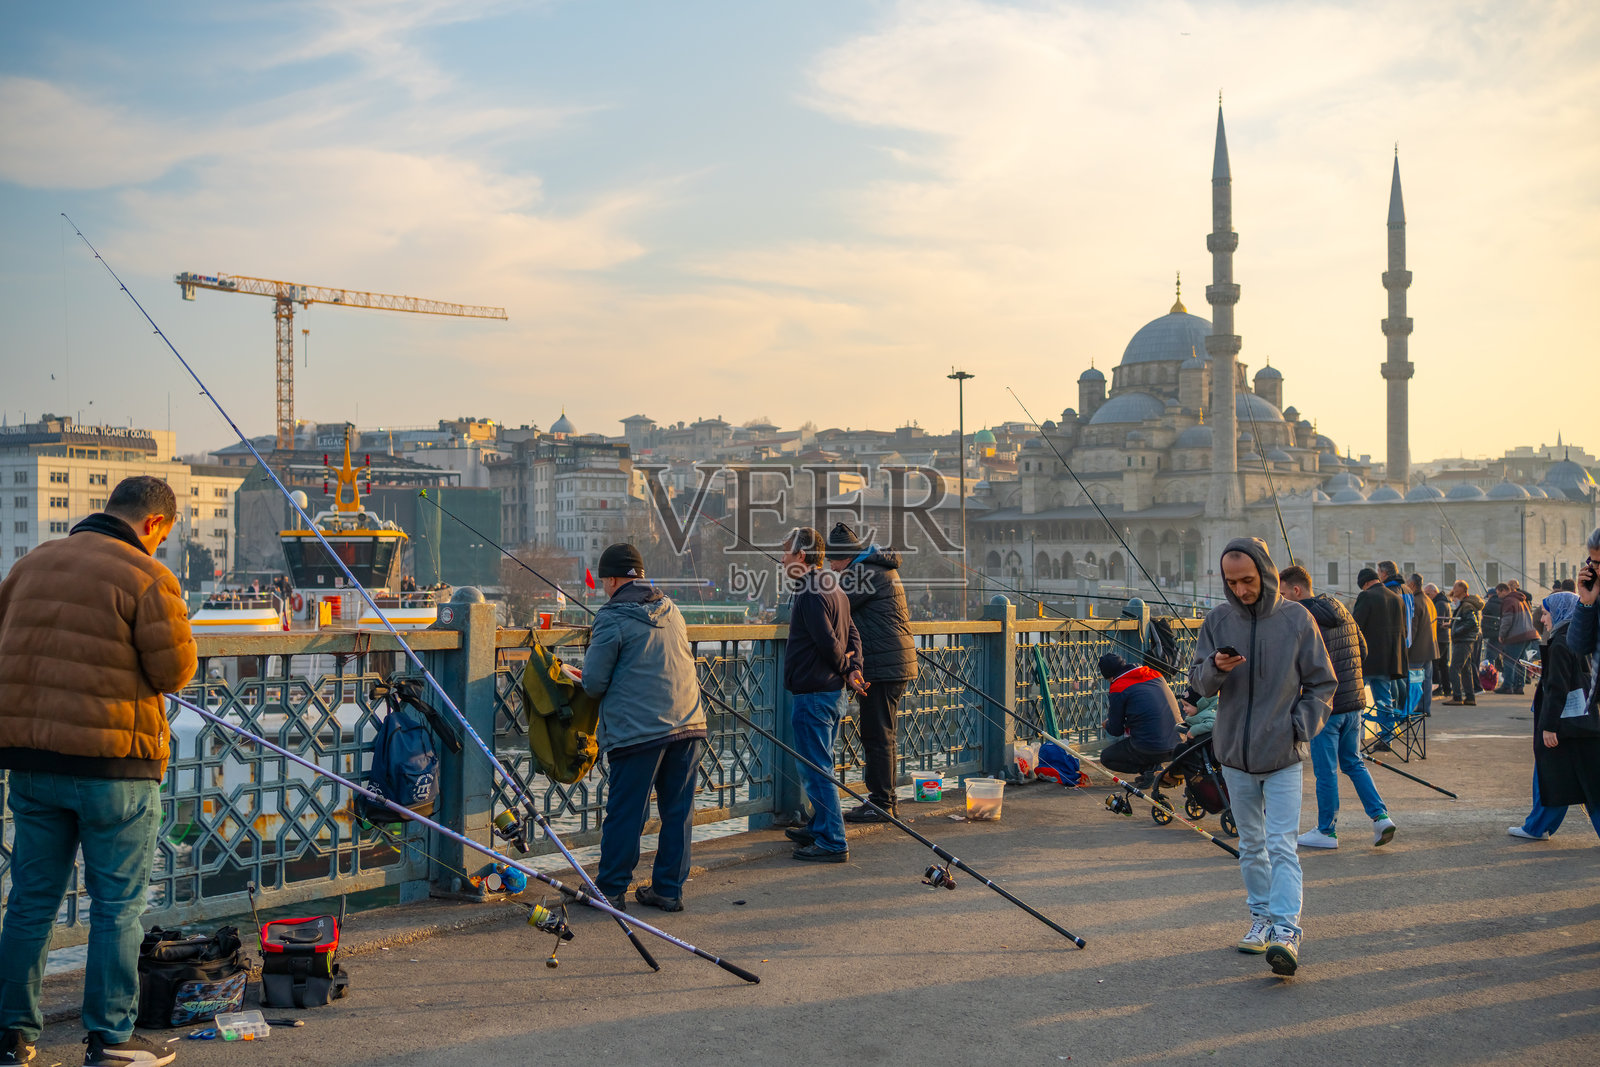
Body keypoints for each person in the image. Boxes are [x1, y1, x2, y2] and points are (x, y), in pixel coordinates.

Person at [0, 476, 196, 1067]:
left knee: (30, 903)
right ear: (155, 524)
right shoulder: (147, 575)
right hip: (116, 768)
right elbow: (174, 671)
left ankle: (11, 1037)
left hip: (32, 763)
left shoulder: (30, 565)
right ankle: (110, 1039)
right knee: (117, 907)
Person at [1190, 538, 1335, 978]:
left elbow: (1322, 683)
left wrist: (1299, 728)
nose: (1241, 590)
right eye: (1232, 582)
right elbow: (1198, 682)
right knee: (1251, 844)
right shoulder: (1217, 620)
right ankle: (1261, 918)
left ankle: (1287, 930)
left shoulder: (1296, 619)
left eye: (1248, 581)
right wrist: (1216, 666)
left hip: (1283, 752)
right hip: (1234, 752)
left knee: (1281, 845)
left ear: (1266, 574)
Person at [582, 542, 707, 913]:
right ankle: (668, 890)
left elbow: (592, 683)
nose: (605, 587)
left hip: (639, 731)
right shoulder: (673, 609)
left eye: (605, 580)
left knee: (627, 811)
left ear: (613, 580)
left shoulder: (611, 618)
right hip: (688, 722)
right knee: (677, 811)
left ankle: (610, 890)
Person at [1280, 566, 1395, 851]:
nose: (1280, 600)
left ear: (1297, 590)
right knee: (1353, 762)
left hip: (1325, 705)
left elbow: (1293, 666)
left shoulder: (1300, 618)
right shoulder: (1340, 608)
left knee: (1326, 771)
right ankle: (1380, 817)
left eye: (1283, 594)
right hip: (1353, 701)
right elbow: (1363, 650)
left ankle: (1327, 831)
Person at [780, 528, 866, 863]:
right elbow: (853, 633)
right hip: (831, 692)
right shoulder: (833, 585)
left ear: (801, 556)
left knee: (817, 770)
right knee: (822, 763)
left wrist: (846, 668)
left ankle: (833, 840)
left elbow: (828, 641)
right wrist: (854, 667)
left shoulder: (811, 590)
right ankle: (818, 825)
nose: (783, 559)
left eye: (786, 553)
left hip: (814, 693)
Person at [826, 522, 917, 823]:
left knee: (877, 735)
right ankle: (884, 800)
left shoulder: (861, 574)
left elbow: (832, 607)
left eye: (832, 559)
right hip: (894, 661)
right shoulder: (878, 568)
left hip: (882, 664)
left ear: (844, 557)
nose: (830, 565)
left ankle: (881, 803)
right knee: (883, 733)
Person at [1508, 590, 1597, 839]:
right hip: (1584, 719)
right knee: (1585, 782)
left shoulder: (1561, 641)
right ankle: (1538, 826)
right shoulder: (1583, 635)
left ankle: (1537, 827)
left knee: (1554, 777)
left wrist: (1548, 726)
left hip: (1564, 722)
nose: (1543, 620)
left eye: (1546, 614)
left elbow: (1558, 687)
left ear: (1559, 612)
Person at [1096, 653, 1181, 787]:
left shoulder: (1119, 686)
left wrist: (1107, 724)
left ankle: (1150, 770)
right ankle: (1156, 769)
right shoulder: (1155, 674)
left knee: (1107, 757)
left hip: (1151, 748)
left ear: (1111, 677)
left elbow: (1116, 730)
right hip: (1178, 743)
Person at [1352, 566, 1407, 750]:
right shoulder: (1397, 599)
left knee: (1355, 699)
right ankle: (1386, 737)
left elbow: (1355, 626)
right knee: (1384, 699)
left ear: (1365, 583)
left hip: (1367, 660)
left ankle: (1352, 739)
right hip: (1388, 660)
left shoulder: (1366, 596)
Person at [1443, 581, 1483, 706]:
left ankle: (1457, 697)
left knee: (1454, 668)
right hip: (1466, 640)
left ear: (1462, 589)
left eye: (1456, 587)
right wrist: (1451, 626)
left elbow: (1472, 622)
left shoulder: (1467, 605)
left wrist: (1457, 632)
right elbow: (1466, 621)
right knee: (1466, 669)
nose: (1453, 589)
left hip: (1463, 640)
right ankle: (1470, 697)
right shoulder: (1465, 604)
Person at [1404, 573, 1437, 718]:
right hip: (1430, 647)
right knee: (1427, 680)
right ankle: (1425, 707)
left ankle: (1411, 709)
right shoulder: (1428, 600)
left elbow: (1413, 628)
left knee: (1414, 681)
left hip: (1418, 649)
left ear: (1412, 585)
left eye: (1406, 583)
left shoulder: (1415, 601)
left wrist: (1406, 647)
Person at [1498, 581, 1538, 695]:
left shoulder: (1508, 601)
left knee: (1509, 660)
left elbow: (1507, 620)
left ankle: (1507, 686)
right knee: (1521, 661)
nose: (1498, 596)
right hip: (1528, 632)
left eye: (1498, 593)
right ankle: (1519, 686)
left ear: (1504, 590)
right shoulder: (1522, 599)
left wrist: (1501, 634)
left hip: (1516, 635)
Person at [1426, 583, 1451, 694]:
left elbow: (1438, 622)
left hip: (1439, 638)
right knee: (1443, 664)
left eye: (1428, 593)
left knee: (1435, 663)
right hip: (1444, 638)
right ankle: (1446, 688)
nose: (1427, 596)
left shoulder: (1439, 603)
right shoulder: (1444, 602)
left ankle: (1437, 688)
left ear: (1434, 592)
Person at [1481, 583, 1506, 690]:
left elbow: (1484, 616)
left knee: (1490, 656)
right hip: (1503, 633)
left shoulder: (1489, 604)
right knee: (1501, 656)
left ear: (1491, 595)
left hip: (1492, 633)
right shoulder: (1504, 603)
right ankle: (1500, 676)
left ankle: (1489, 678)